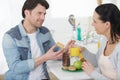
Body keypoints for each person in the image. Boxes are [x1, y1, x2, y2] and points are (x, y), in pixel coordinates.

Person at [2, 0, 75, 80]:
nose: (43, 18)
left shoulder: (45, 32)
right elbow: (15, 67)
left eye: (44, 14)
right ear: (27, 13)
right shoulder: (10, 37)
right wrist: (44, 57)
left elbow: (55, 52)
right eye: (39, 13)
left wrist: (65, 51)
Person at [80, 3, 120, 80]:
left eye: (95, 21)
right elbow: (97, 61)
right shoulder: (105, 40)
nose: (92, 24)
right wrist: (83, 51)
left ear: (107, 24)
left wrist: (93, 73)